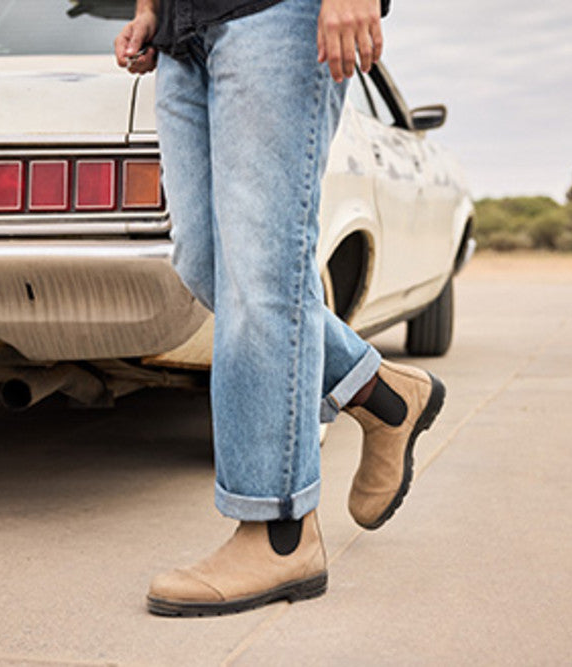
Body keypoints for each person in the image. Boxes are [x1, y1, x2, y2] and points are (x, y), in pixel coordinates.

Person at [114, 0, 445, 617]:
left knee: (263, 271)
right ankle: (381, 394)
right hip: (183, 34)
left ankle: (278, 532)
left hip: (274, 17)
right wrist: (149, 8)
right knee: (207, 263)